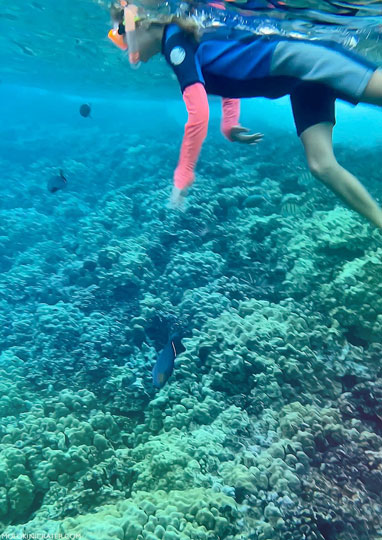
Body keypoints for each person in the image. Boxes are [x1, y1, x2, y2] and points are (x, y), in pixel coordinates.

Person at [109, 4, 382, 227]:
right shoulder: (182, 42)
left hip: (307, 61)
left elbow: (199, 115)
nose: (123, 46)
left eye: (121, 34)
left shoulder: (177, 45)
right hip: (300, 80)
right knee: (321, 166)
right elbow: (227, 75)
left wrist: (183, 175)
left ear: (141, 23)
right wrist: (230, 124)